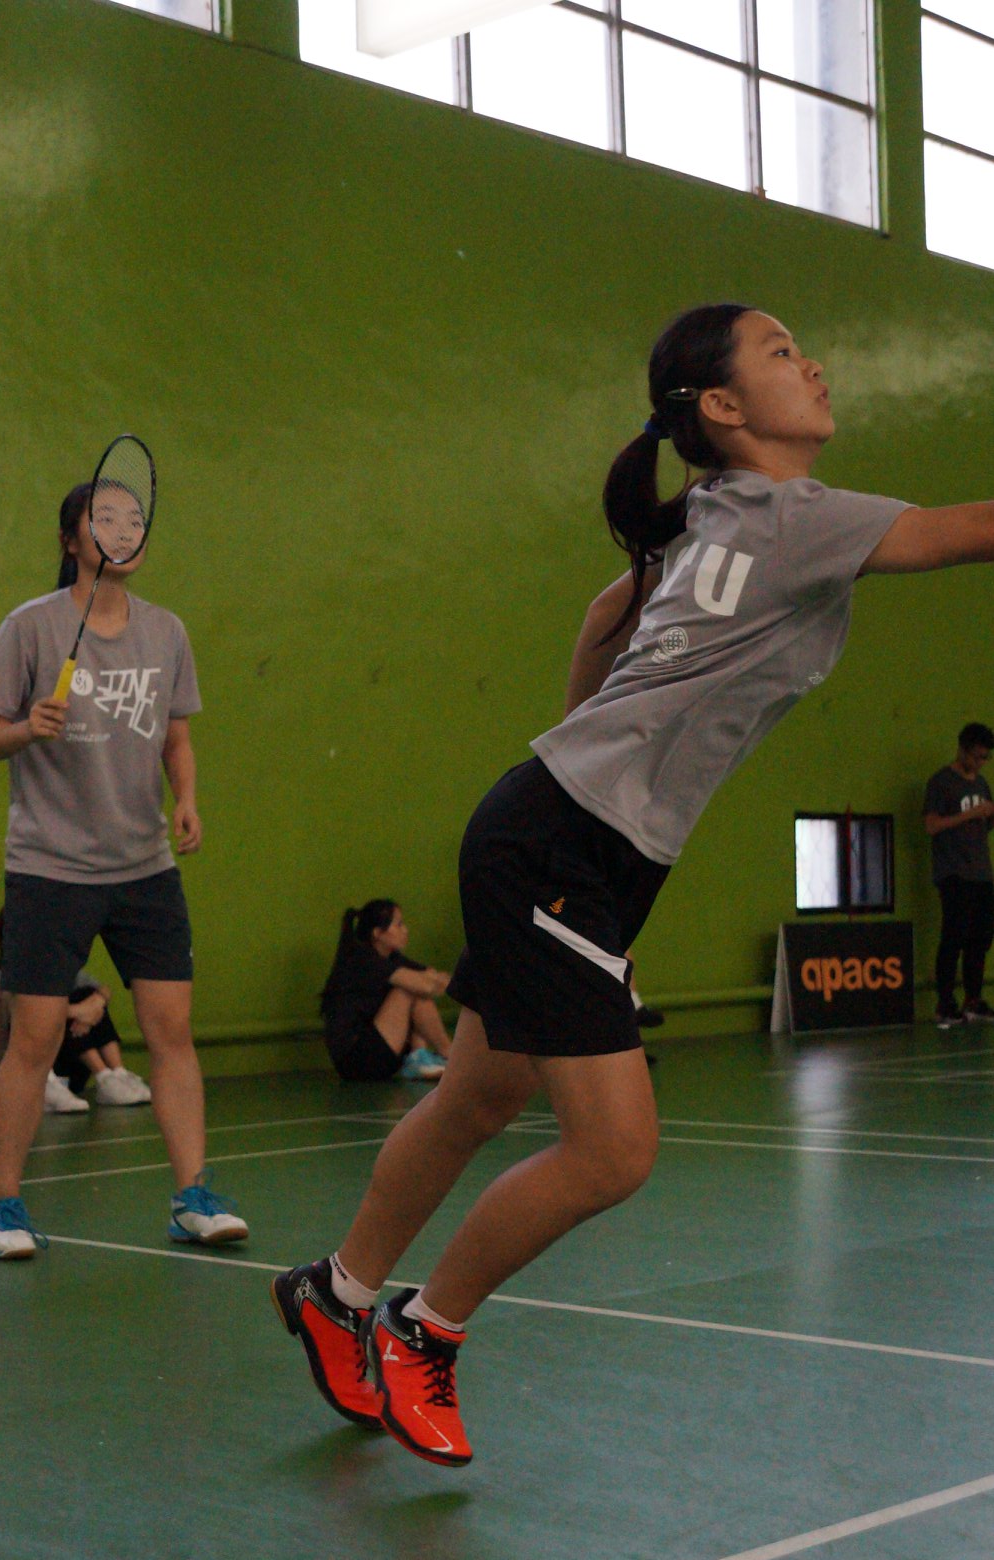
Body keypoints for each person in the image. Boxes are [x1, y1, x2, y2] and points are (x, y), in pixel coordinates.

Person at [273, 300, 994, 1467]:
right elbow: (971, 529)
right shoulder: (792, 517)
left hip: (560, 833)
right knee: (613, 1151)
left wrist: (582, 769)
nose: (812, 363)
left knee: (478, 1096)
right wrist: (585, 811)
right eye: (781, 352)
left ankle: (338, 1292)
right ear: (723, 406)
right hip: (564, 845)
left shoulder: (708, 515)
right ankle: (420, 1329)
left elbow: (604, 619)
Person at [0, 475, 248, 1259]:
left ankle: (192, 1197)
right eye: (105, 520)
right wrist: (25, 728)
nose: (123, 532)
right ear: (71, 540)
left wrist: (185, 799)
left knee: (172, 1031)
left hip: (144, 866)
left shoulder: (167, 632)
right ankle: (2, 1209)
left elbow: (176, 736)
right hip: (50, 866)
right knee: (33, 1040)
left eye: (134, 521)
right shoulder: (30, 627)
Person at [0, 913, 152, 1109]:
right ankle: (101, 1075)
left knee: (86, 994)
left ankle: (116, 1073)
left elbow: (104, 989)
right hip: (37, 1060)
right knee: (63, 1004)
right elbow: (22, 1010)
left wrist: (96, 1002)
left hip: (72, 1060)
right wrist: (78, 1011)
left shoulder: (56, 973)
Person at [320, 899, 451, 1082]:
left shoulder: (393, 958)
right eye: (398, 925)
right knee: (408, 989)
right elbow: (427, 984)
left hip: (383, 1053)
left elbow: (435, 977)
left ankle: (421, 1056)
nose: (405, 930)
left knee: (415, 987)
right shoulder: (362, 960)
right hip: (356, 1061)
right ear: (378, 933)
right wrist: (432, 983)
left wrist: (434, 981)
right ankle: (450, 1056)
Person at [923, 722, 994, 1030]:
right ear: (962, 750)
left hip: (981, 872)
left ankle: (973, 1000)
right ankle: (945, 1004)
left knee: (981, 938)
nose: (980, 763)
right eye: (977, 756)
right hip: (953, 872)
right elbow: (931, 826)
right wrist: (969, 814)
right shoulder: (941, 782)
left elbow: (983, 827)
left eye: (985, 758)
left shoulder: (982, 785)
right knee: (954, 936)